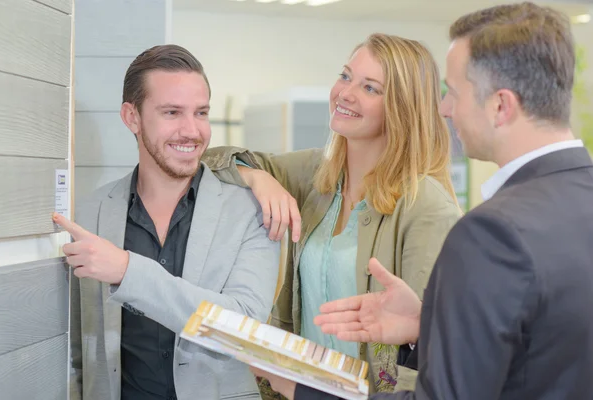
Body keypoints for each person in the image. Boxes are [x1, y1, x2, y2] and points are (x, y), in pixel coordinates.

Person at [253, 2, 593, 399]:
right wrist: (425, 323)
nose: (444, 110)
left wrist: (301, 389)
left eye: (454, 94)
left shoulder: (492, 231)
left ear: (500, 105)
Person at [203, 33, 462, 395]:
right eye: (345, 76)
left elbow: (434, 350)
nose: (346, 93)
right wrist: (257, 176)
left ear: (403, 107)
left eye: (371, 88)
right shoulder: (315, 175)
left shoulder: (425, 204)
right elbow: (210, 161)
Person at [61, 44, 280, 400]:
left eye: (201, 112)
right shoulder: (90, 213)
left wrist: (128, 271)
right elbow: (75, 351)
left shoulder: (253, 212)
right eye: (172, 112)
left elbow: (244, 331)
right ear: (132, 117)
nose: (192, 131)